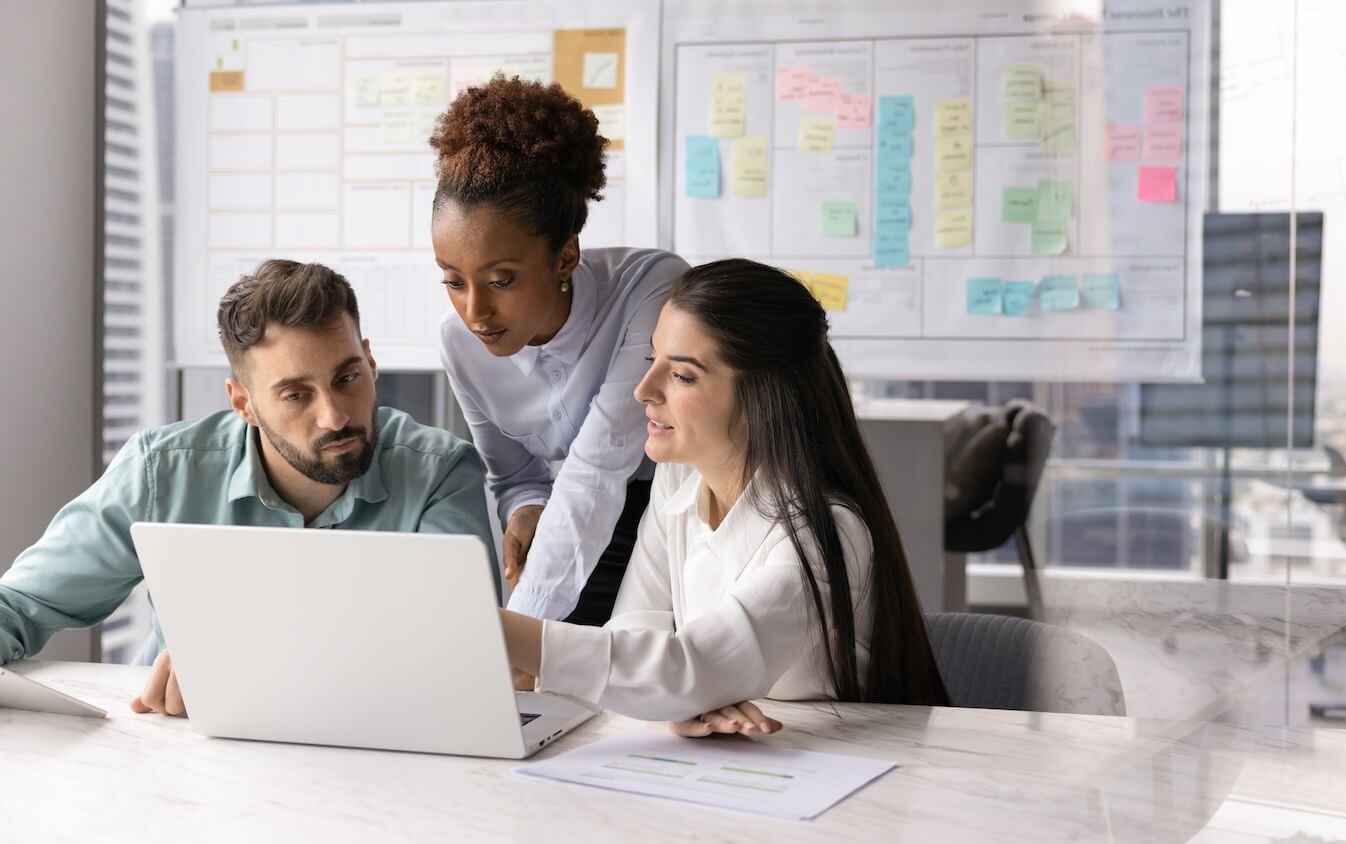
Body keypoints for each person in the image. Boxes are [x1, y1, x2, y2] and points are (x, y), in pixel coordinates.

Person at [0, 260, 496, 716]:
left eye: (347, 377)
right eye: (296, 394)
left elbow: (460, 654)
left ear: (370, 362)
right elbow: (19, 605)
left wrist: (244, 668)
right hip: (176, 748)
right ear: (244, 403)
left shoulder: (441, 475)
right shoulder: (161, 472)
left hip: (374, 758)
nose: (335, 416)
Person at [496, 259, 950, 734]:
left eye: (683, 376)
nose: (644, 391)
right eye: (653, 362)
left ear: (762, 397)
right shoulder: (678, 485)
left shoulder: (828, 532)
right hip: (737, 770)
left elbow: (684, 669)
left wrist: (506, 633)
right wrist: (687, 696)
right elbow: (636, 632)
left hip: (840, 776)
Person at [430, 76, 690, 628]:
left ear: (565, 256)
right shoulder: (461, 345)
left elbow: (599, 467)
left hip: (679, 518)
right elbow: (515, 473)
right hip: (574, 527)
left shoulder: (650, 288)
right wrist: (526, 509)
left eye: (501, 281)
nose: (475, 312)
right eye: (453, 281)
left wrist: (522, 639)